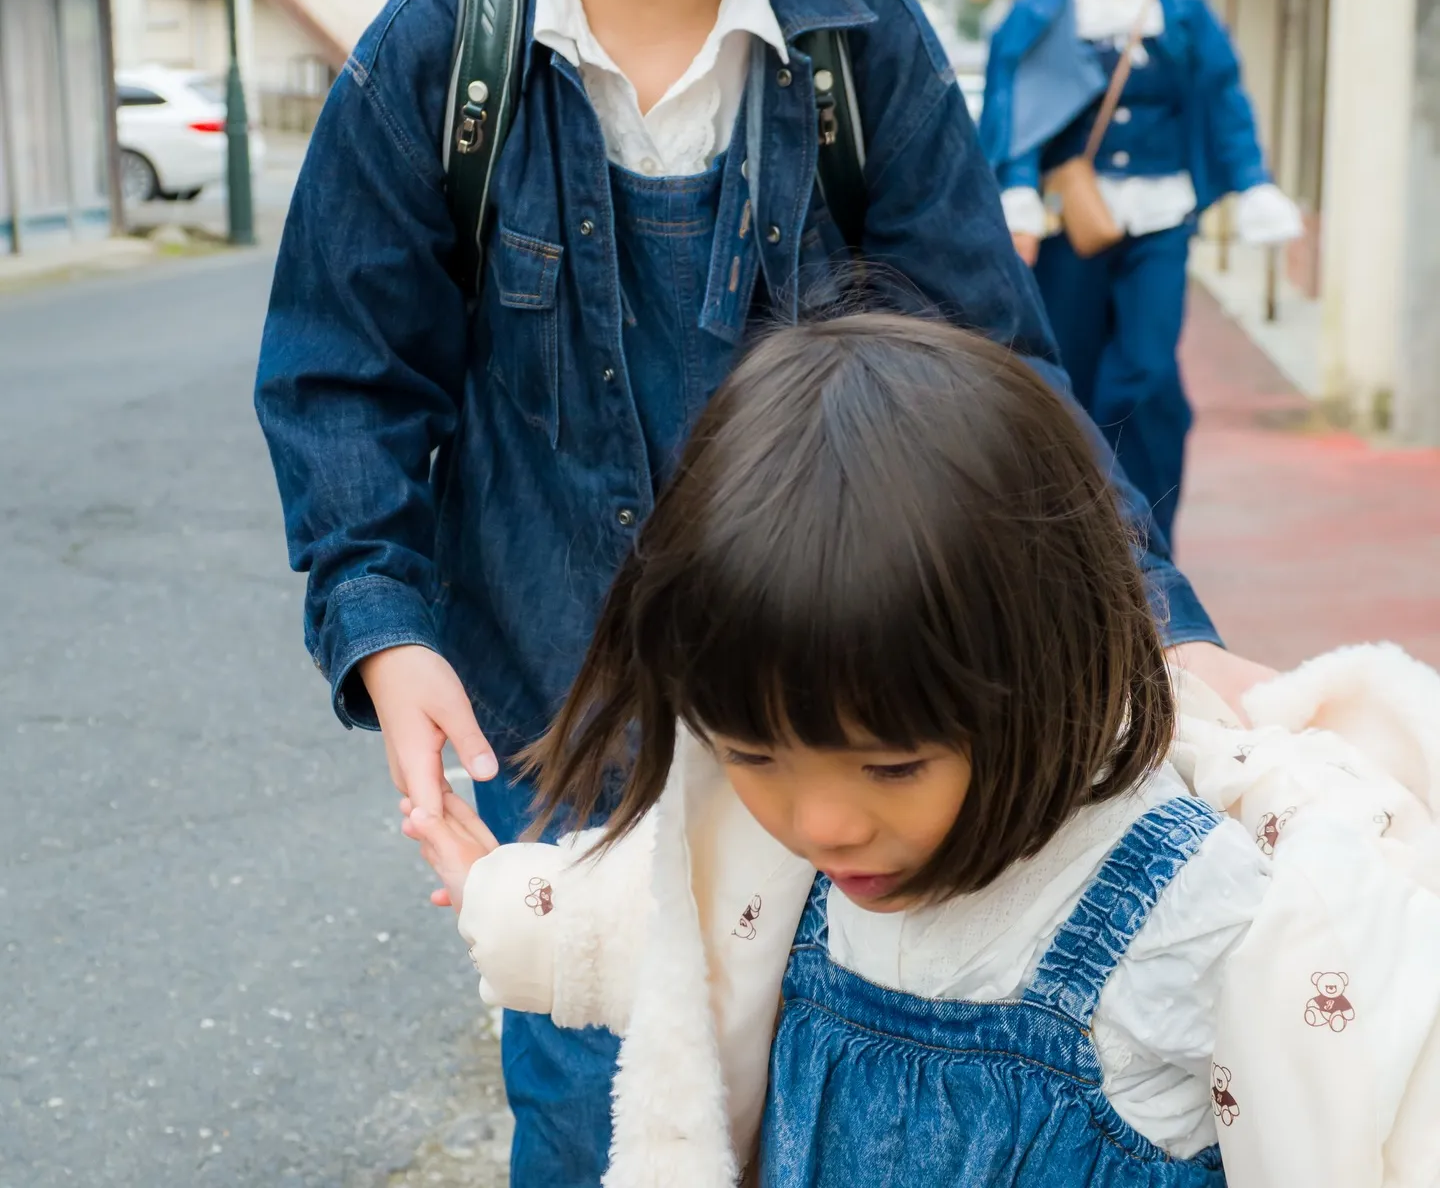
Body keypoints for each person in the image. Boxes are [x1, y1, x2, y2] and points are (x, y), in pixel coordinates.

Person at [254, 0, 1266, 1186]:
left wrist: (1166, 630)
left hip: (840, 710)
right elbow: (344, 376)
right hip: (557, 730)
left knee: (822, 1088)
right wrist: (382, 627)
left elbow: (1002, 375)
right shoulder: (434, 59)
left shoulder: (862, 50)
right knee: (596, 1099)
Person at [403, 314, 1440, 1187]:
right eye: (754, 754)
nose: (822, 822)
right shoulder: (783, 861)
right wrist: (500, 889)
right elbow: (664, 921)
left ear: (1045, 673)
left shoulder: (1198, 920)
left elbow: (1356, 1106)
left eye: (891, 765)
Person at [980, 0, 1301, 545]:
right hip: (1073, 226)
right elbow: (1011, 108)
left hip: (1162, 215)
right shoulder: (1040, 10)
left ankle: (1149, 536)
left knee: (1147, 375)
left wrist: (1252, 183)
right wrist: (1018, 193)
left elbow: (1223, 98)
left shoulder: (1182, 8)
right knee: (1070, 375)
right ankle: (1079, 537)